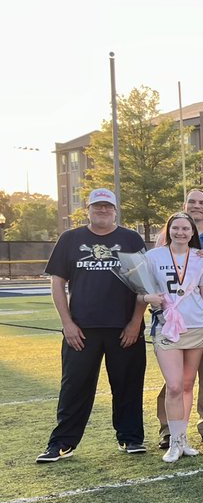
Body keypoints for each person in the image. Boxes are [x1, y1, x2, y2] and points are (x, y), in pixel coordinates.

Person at [36, 188, 148, 463]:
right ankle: (62, 443)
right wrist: (67, 324)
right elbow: (57, 283)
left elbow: (144, 285)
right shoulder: (71, 239)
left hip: (124, 329)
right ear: (87, 209)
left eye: (107, 207)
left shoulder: (130, 239)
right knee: (75, 387)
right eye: (97, 206)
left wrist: (135, 322)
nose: (102, 211)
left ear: (115, 210)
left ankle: (131, 438)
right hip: (81, 330)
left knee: (127, 384)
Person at [153, 189, 203, 449]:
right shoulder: (163, 239)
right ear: (184, 205)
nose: (197, 206)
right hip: (172, 321)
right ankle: (169, 429)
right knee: (175, 381)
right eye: (192, 202)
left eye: (202, 202)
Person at [140, 212, 203, 463]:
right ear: (168, 230)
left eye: (186, 228)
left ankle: (183, 438)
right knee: (173, 385)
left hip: (196, 326)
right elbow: (139, 291)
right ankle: (173, 441)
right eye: (176, 228)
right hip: (167, 326)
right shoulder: (153, 257)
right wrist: (146, 299)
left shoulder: (201, 258)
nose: (181, 232)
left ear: (193, 232)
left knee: (186, 384)